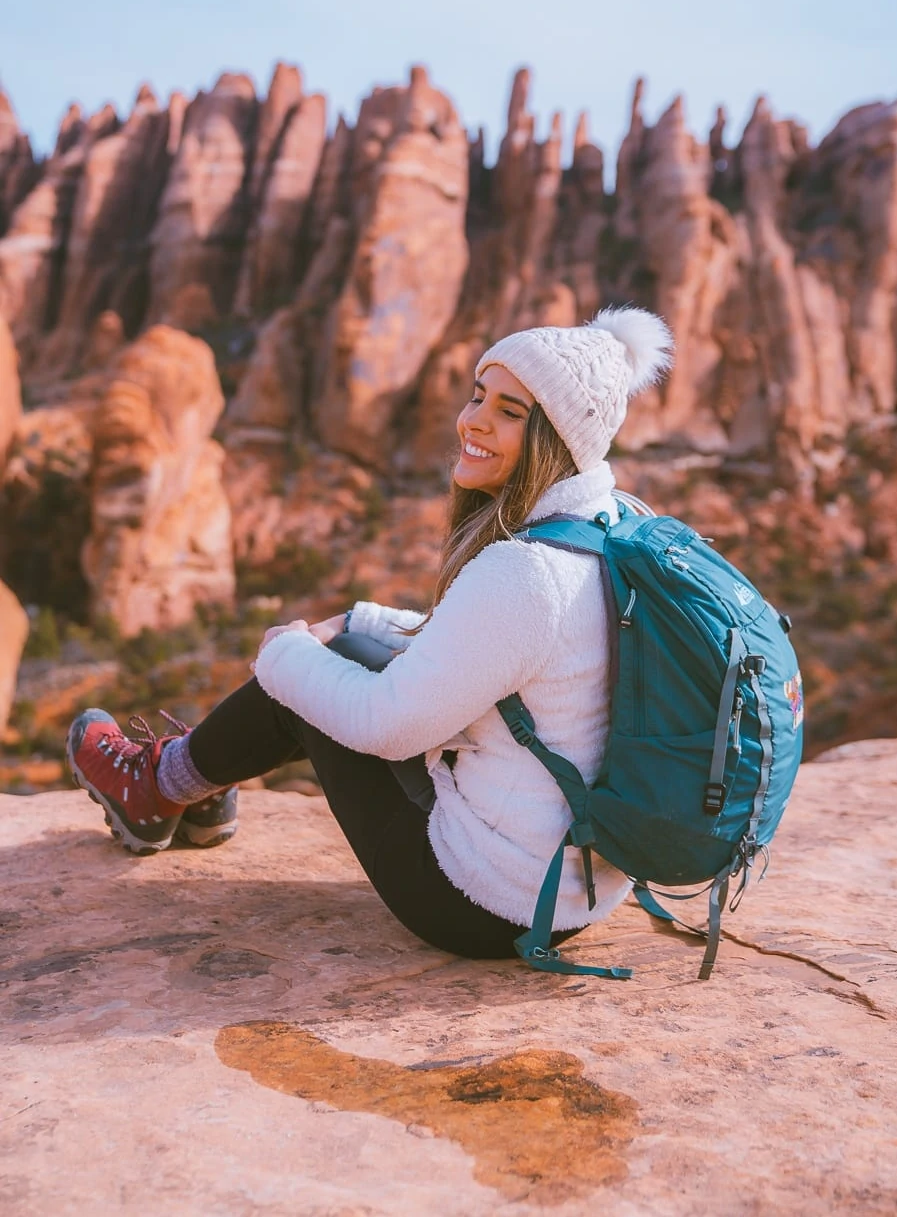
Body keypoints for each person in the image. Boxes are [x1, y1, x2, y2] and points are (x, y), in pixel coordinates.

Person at [67, 306, 673, 961]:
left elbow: (389, 724)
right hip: (573, 886)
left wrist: (285, 654)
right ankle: (195, 784)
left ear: (559, 437)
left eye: (509, 411)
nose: (472, 421)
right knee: (346, 650)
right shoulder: (610, 525)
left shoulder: (525, 573)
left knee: (304, 679)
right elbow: (482, 647)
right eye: (477, 396)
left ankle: (159, 790)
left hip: (482, 906)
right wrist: (359, 621)